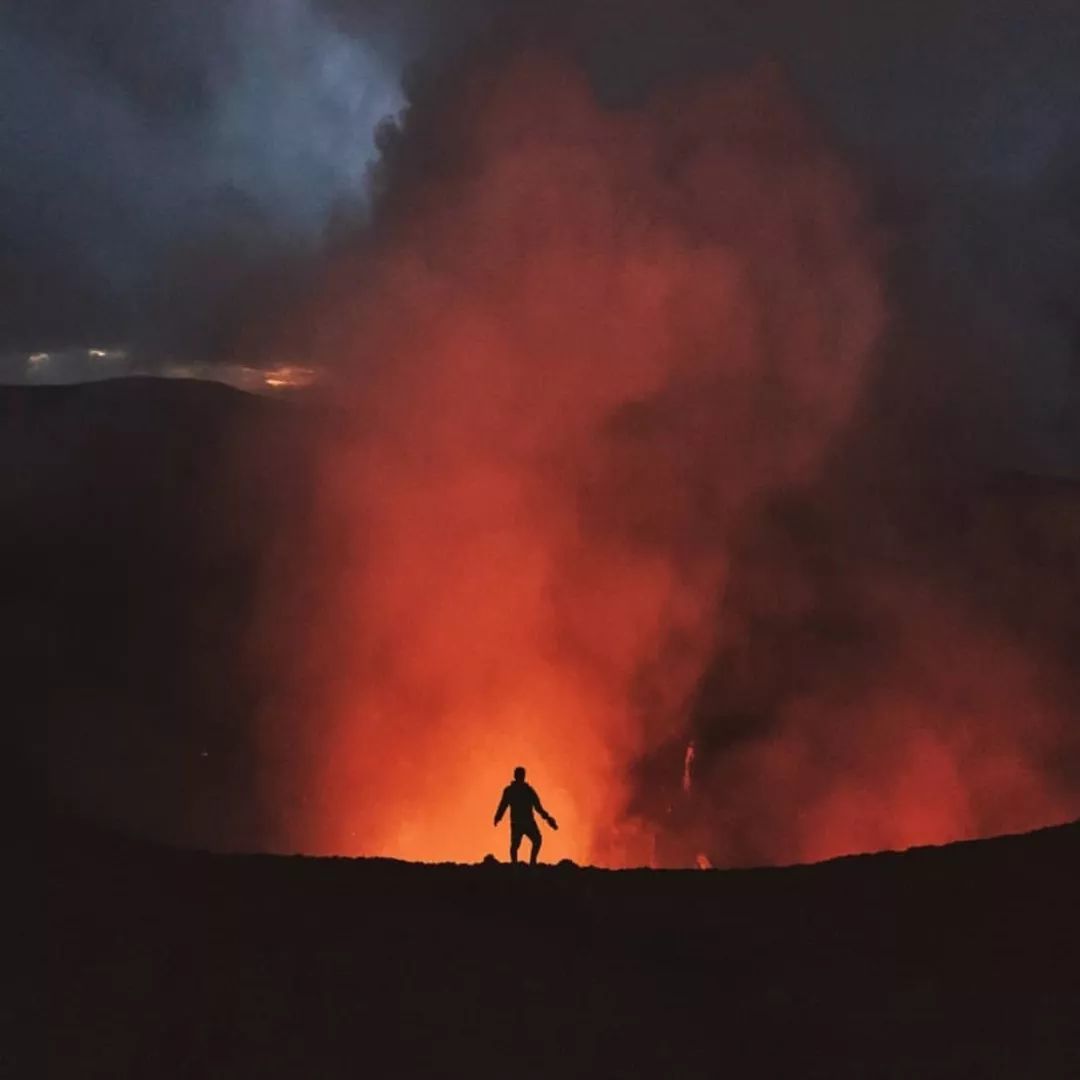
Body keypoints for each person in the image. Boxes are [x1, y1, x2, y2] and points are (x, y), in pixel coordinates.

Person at [493, 766, 558, 865]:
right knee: (516, 845)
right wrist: (498, 817)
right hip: (519, 822)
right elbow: (503, 805)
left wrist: (548, 818)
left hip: (525, 822)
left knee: (536, 840)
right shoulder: (513, 791)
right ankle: (516, 865)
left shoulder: (527, 790)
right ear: (516, 776)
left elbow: (538, 807)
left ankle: (531, 862)